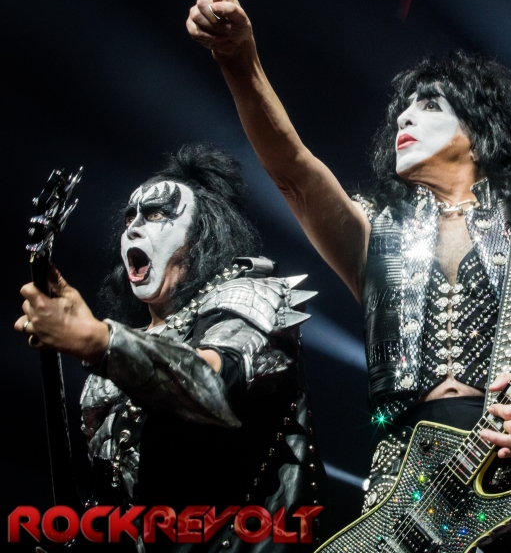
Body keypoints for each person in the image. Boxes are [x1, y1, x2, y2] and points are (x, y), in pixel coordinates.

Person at [172, 0, 511, 550]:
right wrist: (240, 59)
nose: (406, 116)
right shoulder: (378, 230)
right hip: (402, 494)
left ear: (481, 127)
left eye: (430, 105)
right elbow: (294, 173)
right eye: (403, 110)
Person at [15, 144, 329, 552]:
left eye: (155, 214)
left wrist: (100, 342)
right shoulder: (123, 352)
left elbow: (212, 388)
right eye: (129, 217)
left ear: (201, 235)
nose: (133, 228)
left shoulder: (249, 296)